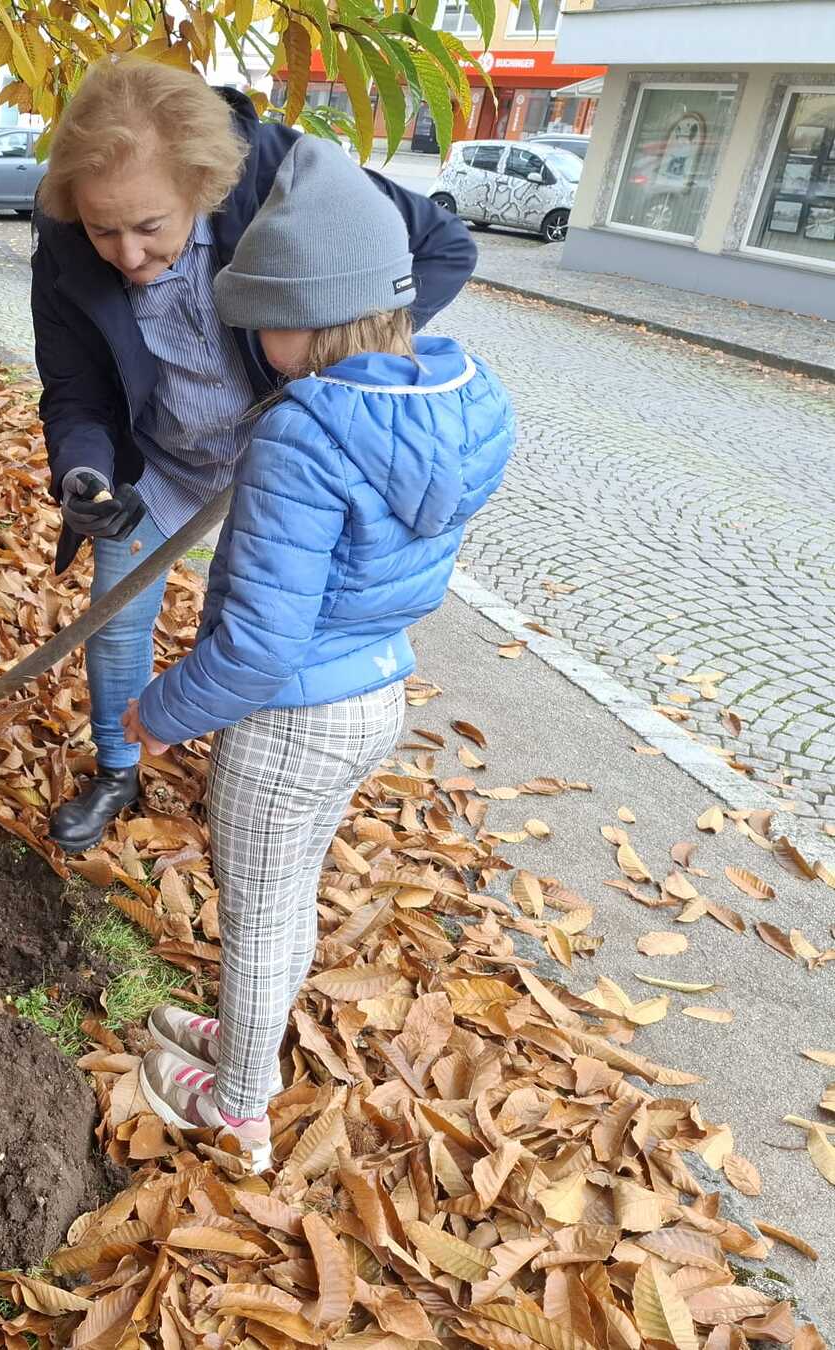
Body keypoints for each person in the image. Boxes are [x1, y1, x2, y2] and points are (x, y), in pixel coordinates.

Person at [126, 137, 514, 1169]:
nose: (254, 340)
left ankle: (237, 1107)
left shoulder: (303, 434)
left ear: (311, 312)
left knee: (257, 912)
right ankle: (244, 1040)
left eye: (263, 318)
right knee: (287, 891)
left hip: (289, 715)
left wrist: (159, 711)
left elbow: (259, 645)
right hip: (374, 689)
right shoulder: (459, 399)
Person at [31, 58, 478, 854]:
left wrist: (346, 351)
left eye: (150, 226)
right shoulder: (65, 245)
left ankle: (244, 767)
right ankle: (118, 766)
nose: (126, 255)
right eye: (104, 230)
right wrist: (84, 472)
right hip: (161, 459)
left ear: (201, 183)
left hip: (283, 453)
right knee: (115, 615)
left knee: (258, 619)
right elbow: (75, 390)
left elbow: (441, 248)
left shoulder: (285, 177)